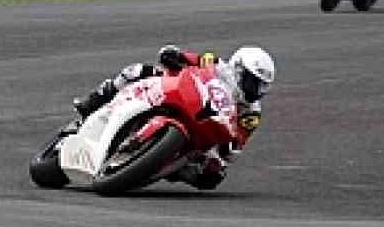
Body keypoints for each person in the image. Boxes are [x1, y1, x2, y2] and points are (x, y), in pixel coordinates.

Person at [72, 44, 276, 190]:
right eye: (254, 82)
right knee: (138, 70)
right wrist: (173, 54)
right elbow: (187, 58)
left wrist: (220, 162)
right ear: (239, 69)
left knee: (209, 178)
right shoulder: (215, 63)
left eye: (262, 86)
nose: (257, 90)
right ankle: (92, 103)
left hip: (204, 133)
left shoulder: (251, 113)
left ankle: (163, 166)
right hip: (182, 97)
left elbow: (236, 146)